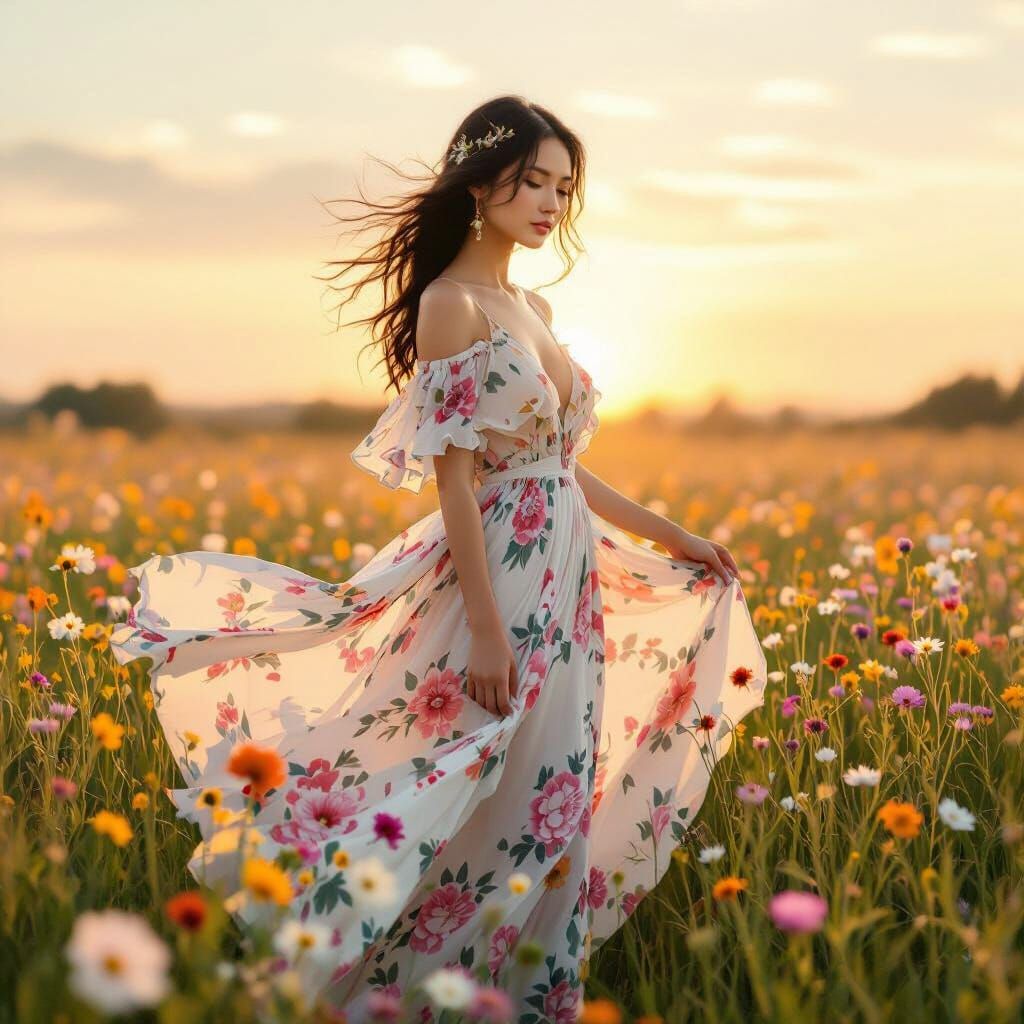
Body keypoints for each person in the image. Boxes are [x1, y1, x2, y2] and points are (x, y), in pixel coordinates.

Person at [110, 95, 767, 1022]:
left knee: (554, 797)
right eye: (531, 180)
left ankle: (533, 998)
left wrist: (674, 536)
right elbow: (454, 483)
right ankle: (409, 995)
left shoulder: (531, 302)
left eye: (563, 187)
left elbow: (562, 467)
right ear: (479, 179)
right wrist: (490, 632)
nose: (549, 202)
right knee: (486, 785)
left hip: (566, 576)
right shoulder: (451, 306)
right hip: (495, 576)